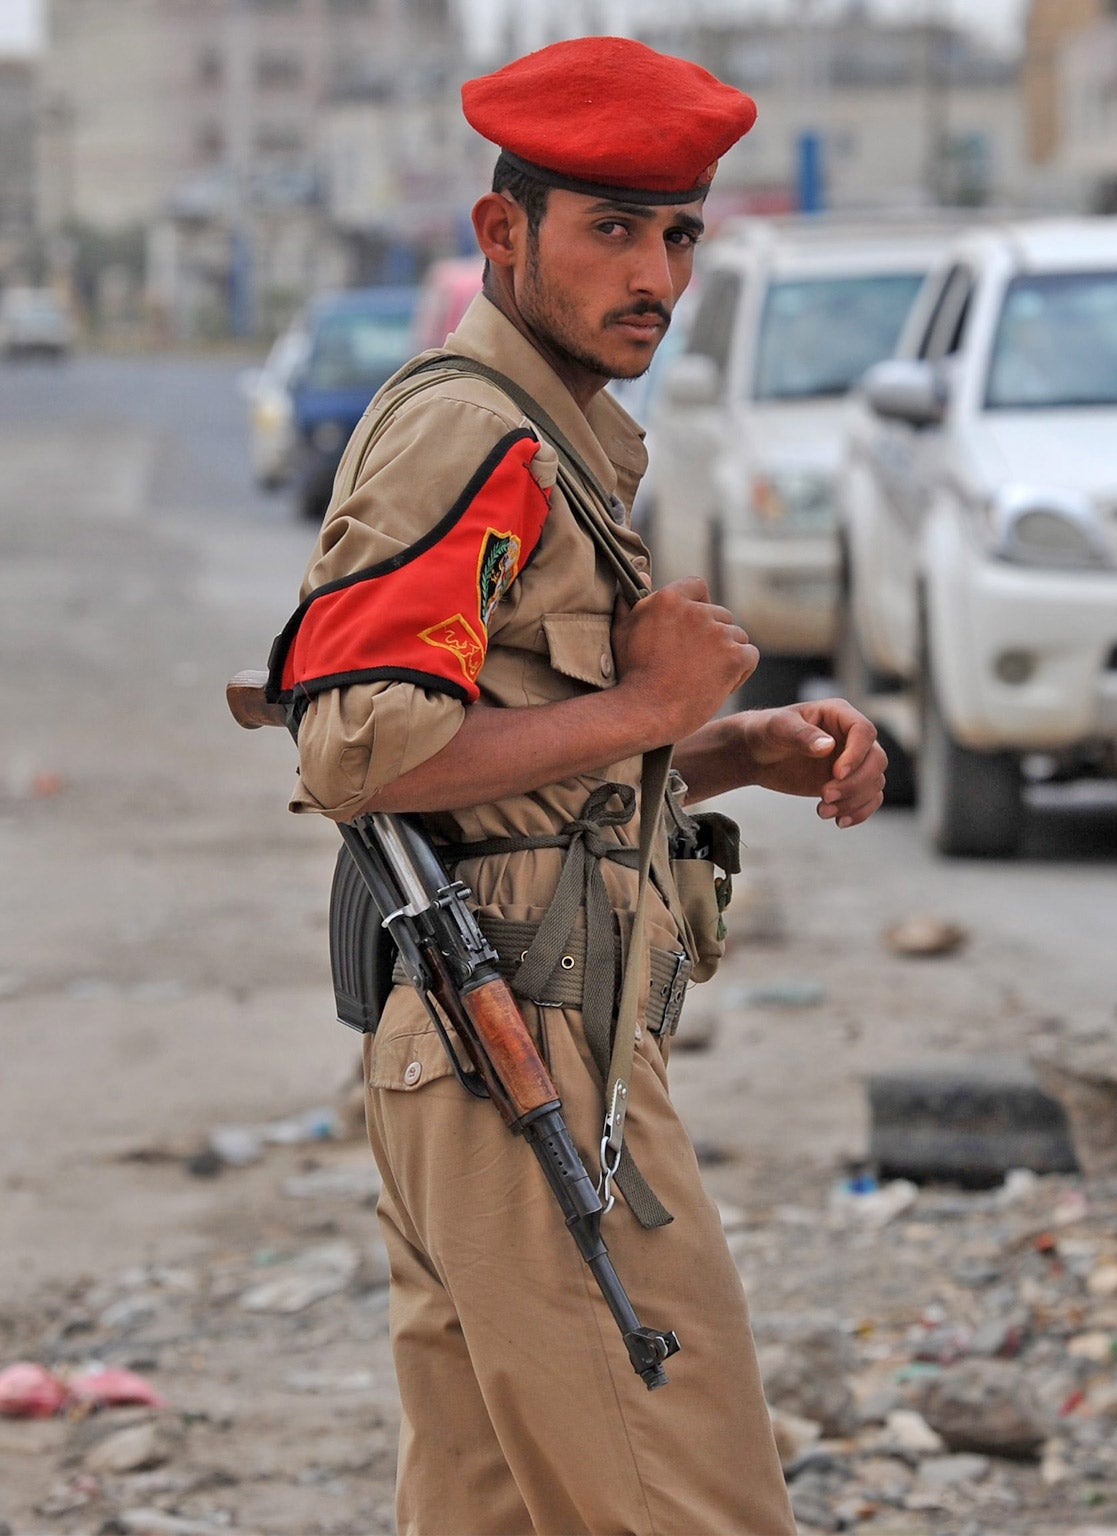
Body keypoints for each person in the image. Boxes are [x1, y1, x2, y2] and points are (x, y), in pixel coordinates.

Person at [274, 38, 884, 1534]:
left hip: (504, 1044)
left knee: (489, 1510)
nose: (656, 275)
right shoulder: (475, 432)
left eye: (678, 234)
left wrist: (720, 746)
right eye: (611, 227)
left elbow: (497, 755)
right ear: (503, 234)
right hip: (520, 1051)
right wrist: (648, 699)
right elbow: (353, 747)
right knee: (693, 1501)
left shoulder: (557, 436)